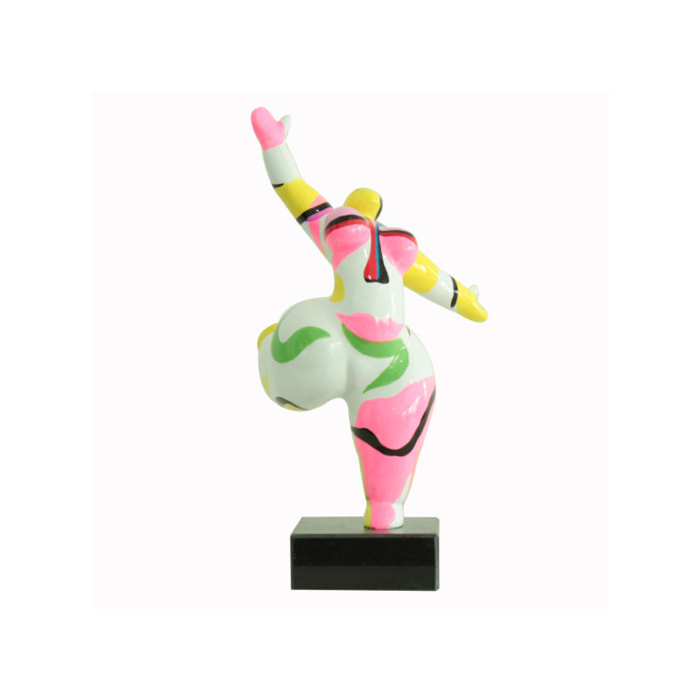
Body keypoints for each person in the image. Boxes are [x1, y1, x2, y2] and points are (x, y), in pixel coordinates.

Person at [252, 107, 487, 529]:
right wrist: (275, 147)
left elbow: (435, 280)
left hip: (392, 357)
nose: (369, 200)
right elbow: (294, 190)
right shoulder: (335, 226)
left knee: (390, 465)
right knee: (300, 347)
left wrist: (468, 302)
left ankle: (385, 508)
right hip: (337, 337)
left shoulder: (394, 246)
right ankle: (270, 351)